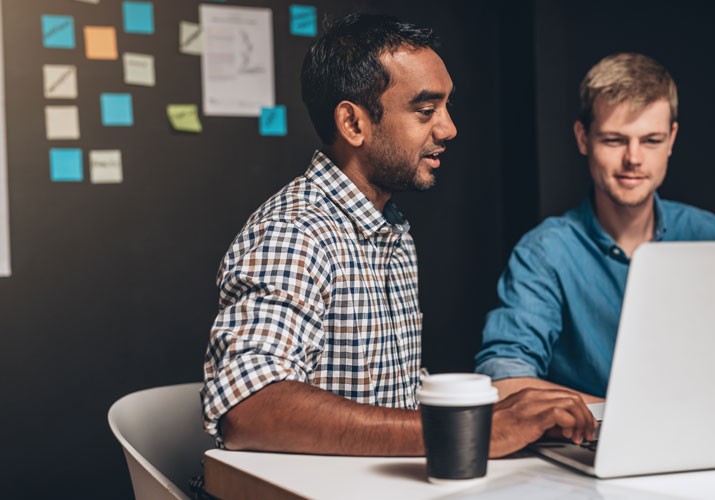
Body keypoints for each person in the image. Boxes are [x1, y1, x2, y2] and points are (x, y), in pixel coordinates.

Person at [201, 13, 597, 459]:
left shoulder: (390, 229)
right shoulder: (295, 231)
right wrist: (472, 432)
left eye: (446, 108)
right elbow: (249, 407)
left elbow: (387, 399)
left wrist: (512, 419)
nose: (449, 129)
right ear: (353, 124)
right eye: (426, 111)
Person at [475, 52, 715, 403]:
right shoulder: (545, 252)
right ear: (583, 138)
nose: (633, 159)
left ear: (672, 139)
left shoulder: (714, 239)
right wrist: (619, 417)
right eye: (615, 140)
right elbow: (505, 378)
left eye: (651, 140)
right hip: (595, 443)